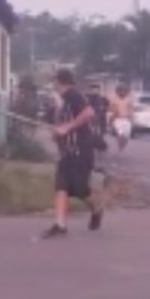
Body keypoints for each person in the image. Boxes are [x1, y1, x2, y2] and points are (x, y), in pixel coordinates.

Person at [42, 69, 104, 239]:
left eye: (54, 81)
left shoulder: (74, 96)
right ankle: (60, 225)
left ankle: (97, 209)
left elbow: (89, 113)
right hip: (66, 153)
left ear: (62, 82)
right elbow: (62, 128)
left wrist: (67, 128)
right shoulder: (62, 102)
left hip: (81, 151)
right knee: (61, 187)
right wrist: (57, 133)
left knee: (80, 190)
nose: (53, 85)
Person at [86, 83, 111, 155]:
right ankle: (92, 146)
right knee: (91, 132)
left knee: (100, 133)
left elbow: (108, 106)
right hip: (91, 118)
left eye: (96, 89)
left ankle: (100, 147)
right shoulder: (88, 98)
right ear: (90, 90)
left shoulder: (103, 99)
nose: (95, 91)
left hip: (101, 118)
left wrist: (104, 109)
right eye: (93, 89)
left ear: (99, 90)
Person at [110, 85, 134, 152]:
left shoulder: (129, 99)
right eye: (120, 91)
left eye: (124, 91)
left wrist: (132, 119)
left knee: (126, 137)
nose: (122, 92)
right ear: (118, 92)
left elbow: (131, 110)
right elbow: (112, 109)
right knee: (120, 134)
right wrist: (112, 118)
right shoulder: (114, 99)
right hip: (118, 120)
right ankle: (119, 144)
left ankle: (121, 146)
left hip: (126, 120)